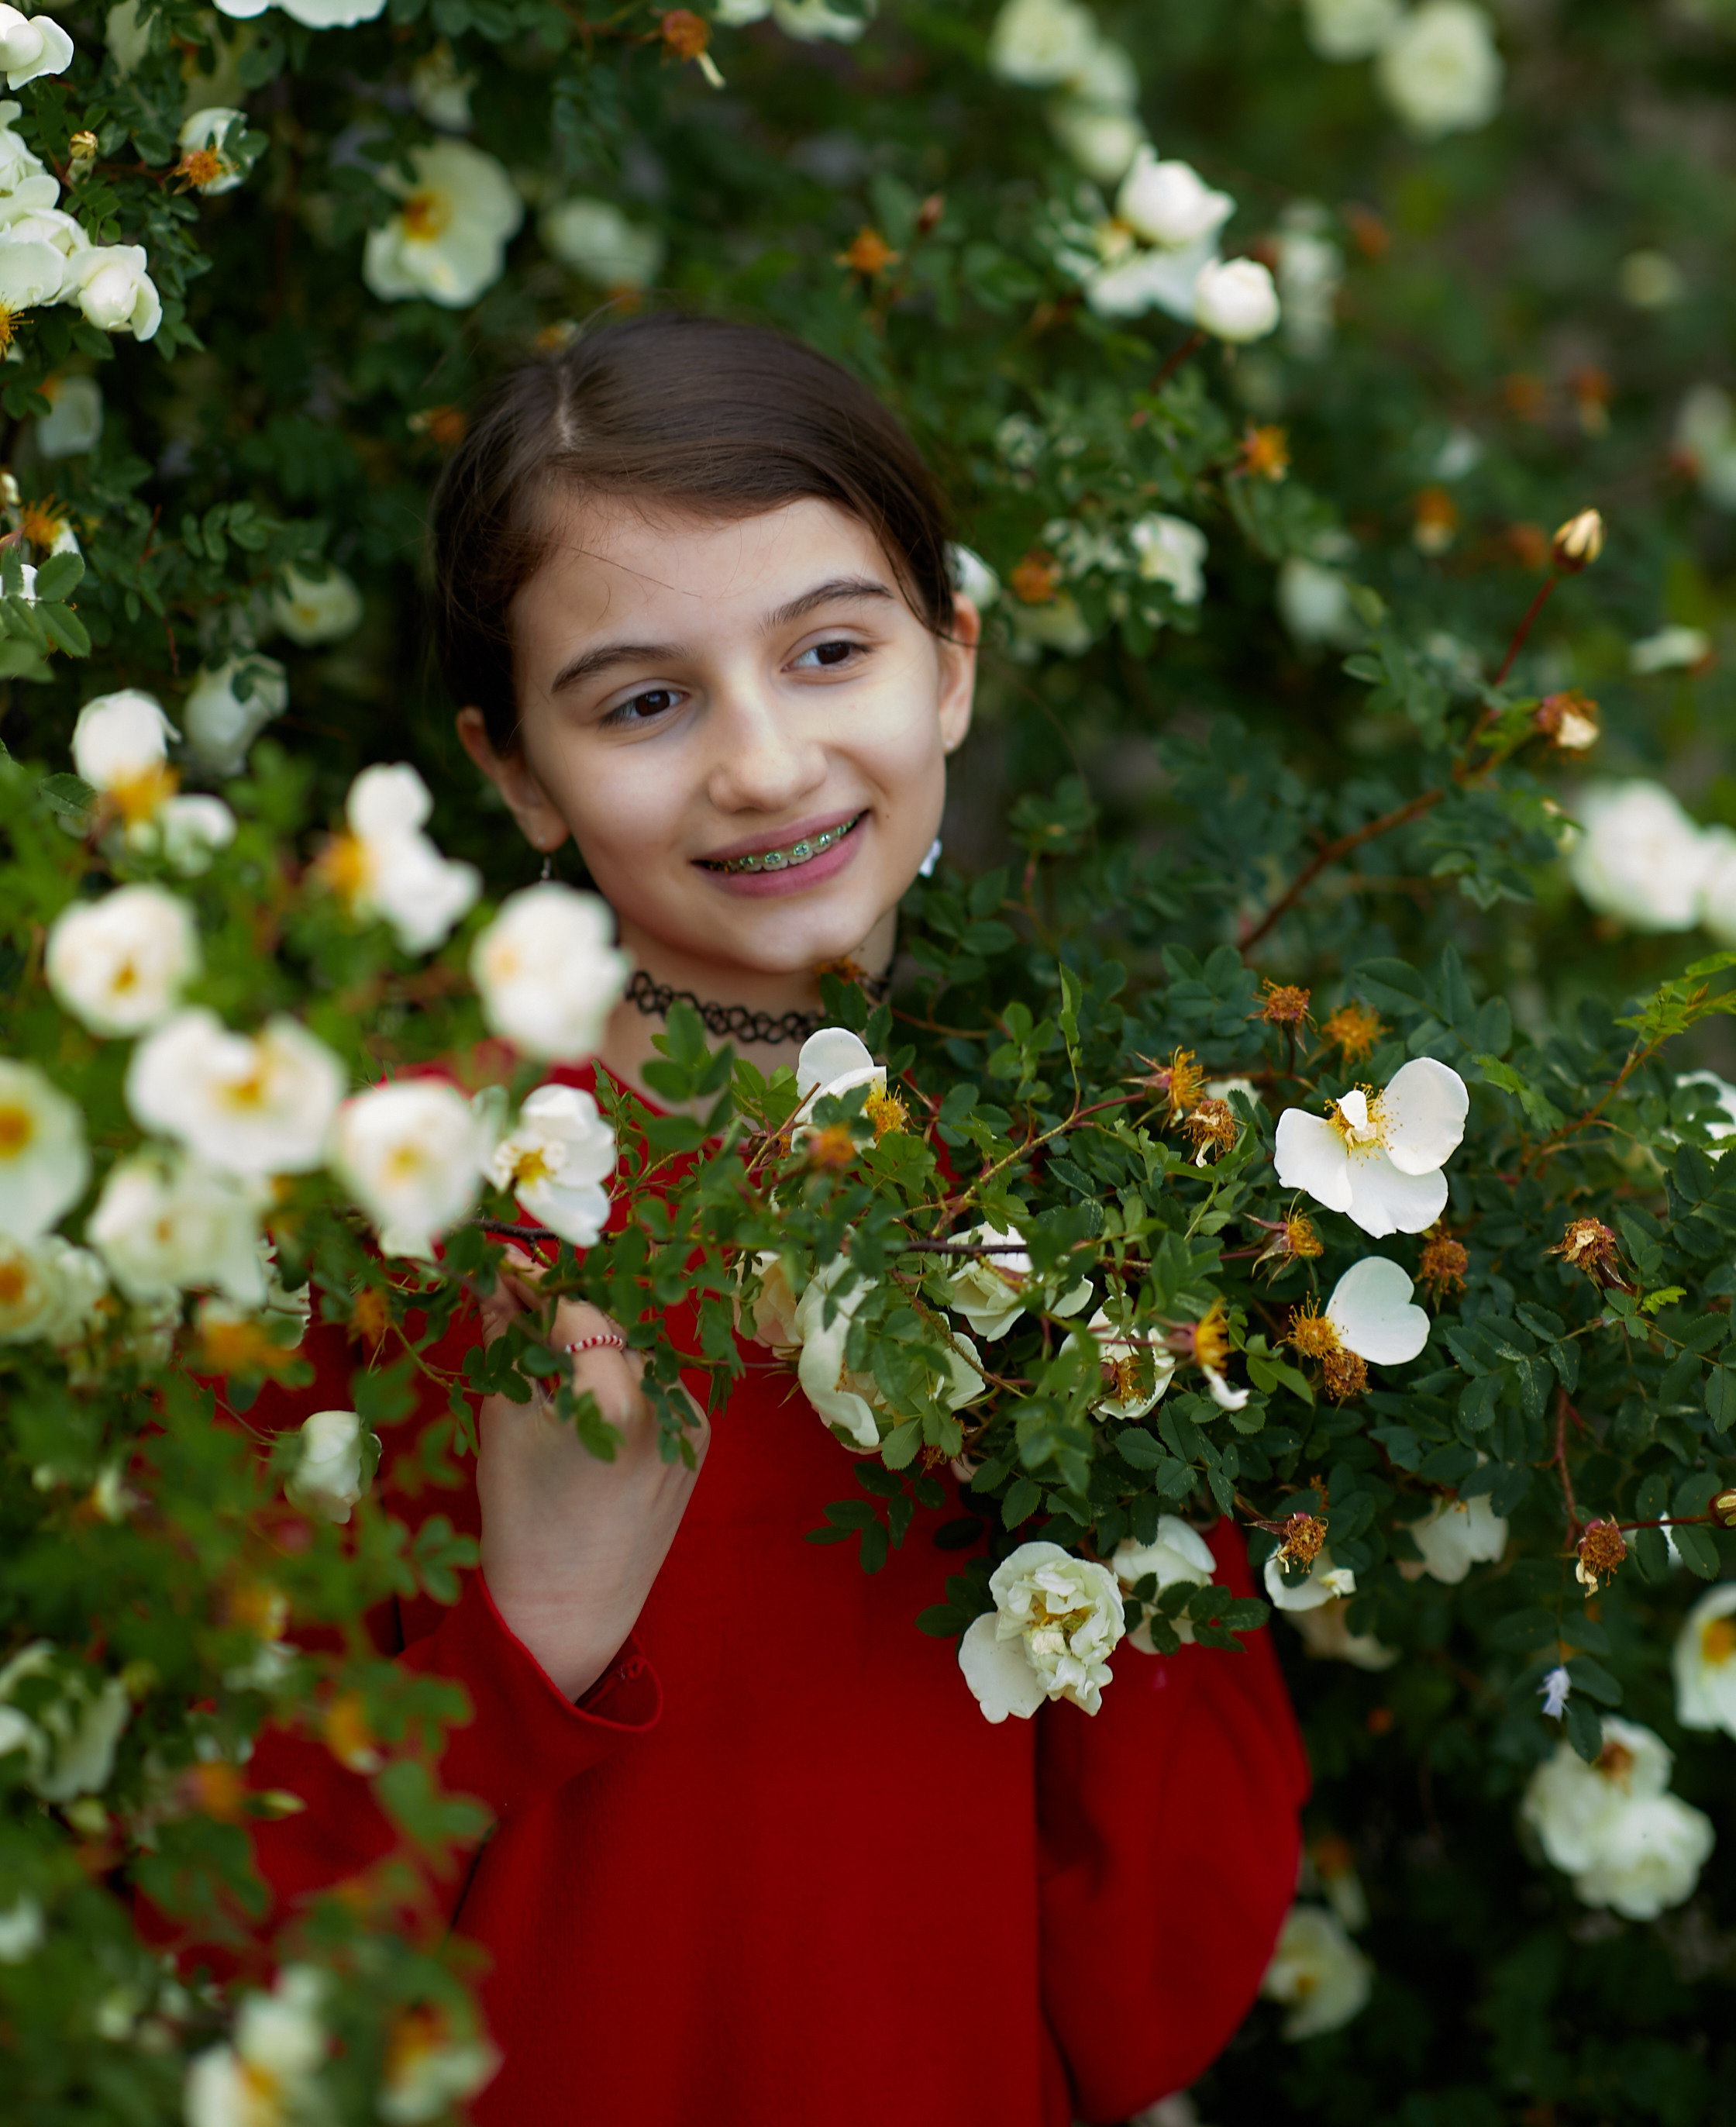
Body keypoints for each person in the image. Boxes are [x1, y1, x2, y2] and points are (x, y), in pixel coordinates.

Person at [217, 310, 1309, 2126]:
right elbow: (211, 1938)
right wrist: (530, 1634)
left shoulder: (1093, 1188)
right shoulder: (394, 1192)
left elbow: (1154, 1963)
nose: (763, 762)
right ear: (515, 776)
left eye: (827, 652)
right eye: (644, 699)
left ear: (948, 664)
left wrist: (1142, 1433)